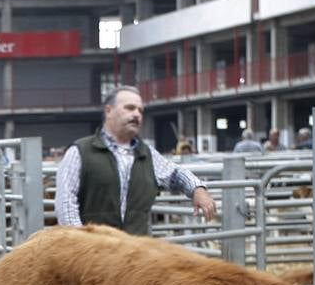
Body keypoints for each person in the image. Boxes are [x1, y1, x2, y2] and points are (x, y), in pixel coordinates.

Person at [54, 85, 217, 235]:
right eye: (130, 108)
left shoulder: (147, 154)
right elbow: (66, 204)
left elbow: (175, 174)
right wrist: (81, 243)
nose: (137, 114)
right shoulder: (80, 152)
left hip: (136, 253)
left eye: (140, 110)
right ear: (109, 111)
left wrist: (198, 189)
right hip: (95, 254)